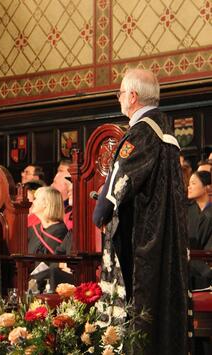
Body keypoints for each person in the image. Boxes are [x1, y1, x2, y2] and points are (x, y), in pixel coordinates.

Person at [93, 69, 188, 354]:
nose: (119, 98)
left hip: (142, 238)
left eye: (120, 93)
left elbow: (119, 179)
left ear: (132, 97)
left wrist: (101, 213)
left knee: (140, 310)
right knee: (163, 306)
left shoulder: (142, 132)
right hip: (165, 235)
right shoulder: (166, 131)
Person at [187, 171, 212, 289]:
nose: (189, 187)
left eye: (193, 183)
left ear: (207, 187)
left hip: (206, 264)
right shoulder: (186, 211)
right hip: (189, 263)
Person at [28, 187, 68, 254]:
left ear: (46, 203)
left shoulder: (61, 232)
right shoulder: (32, 230)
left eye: (36, 199)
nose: (33, 202)